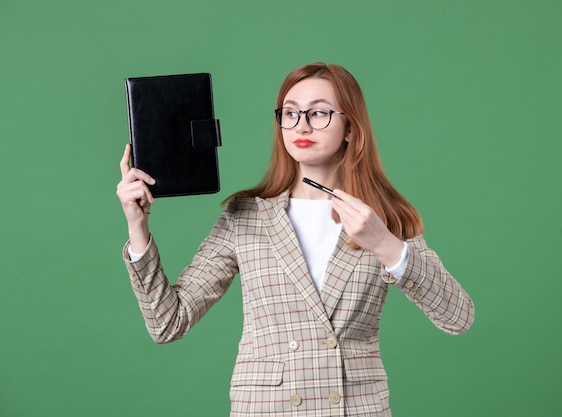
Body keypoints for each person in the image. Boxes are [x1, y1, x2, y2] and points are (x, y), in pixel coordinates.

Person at [116, 62, 474, 417]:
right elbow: (168, 322)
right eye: (290, 113)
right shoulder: (246, 215)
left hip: (356, 408)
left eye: (319, 113)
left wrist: (385, 244)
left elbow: (458, 317)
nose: (301, 124)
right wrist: (138, 228)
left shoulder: (381, 217)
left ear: (350, 127)